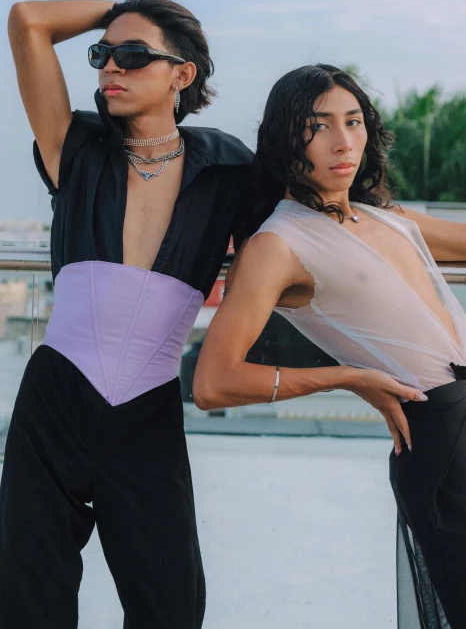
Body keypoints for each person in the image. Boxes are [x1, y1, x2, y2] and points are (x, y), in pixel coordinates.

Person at [0, 0, 253, 629]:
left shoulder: (231, 167)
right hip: (55, 398)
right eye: (101, 55)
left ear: (181, 74)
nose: (110, 68)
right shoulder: (74, 146)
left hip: (147, 408)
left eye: (131, 56)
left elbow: (288, 259)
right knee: (30, 597)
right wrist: (126, 7)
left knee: (171, 603)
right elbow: (28, 21)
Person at [193, 64, 466, 629]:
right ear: (286, 141)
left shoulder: (381, 217)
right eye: (319, 126)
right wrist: (348, 378)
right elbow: (212, 382)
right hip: (436, 430)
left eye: (354, 121)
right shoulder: (277, 244)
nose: (344, 142)